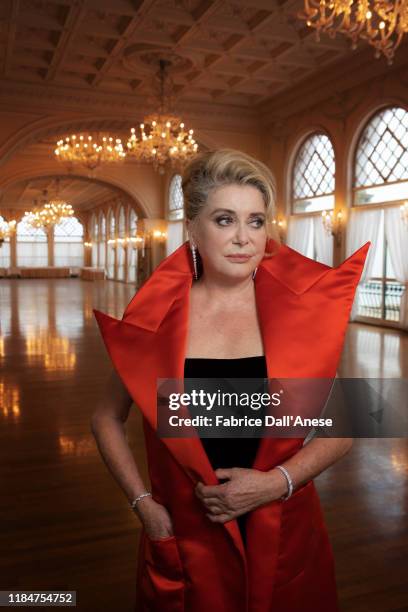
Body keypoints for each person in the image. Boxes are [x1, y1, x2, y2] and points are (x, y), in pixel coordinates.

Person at [91, 149, 370, 612]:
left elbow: (343, 429)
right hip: (186, 533)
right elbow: (105, 419)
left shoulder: (299, 315)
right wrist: (143, 504)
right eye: (225, 220)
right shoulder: (154, 320)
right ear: (193, 230)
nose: (243, 238)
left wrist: (275, 482)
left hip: (281, 522)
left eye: (256, 222)